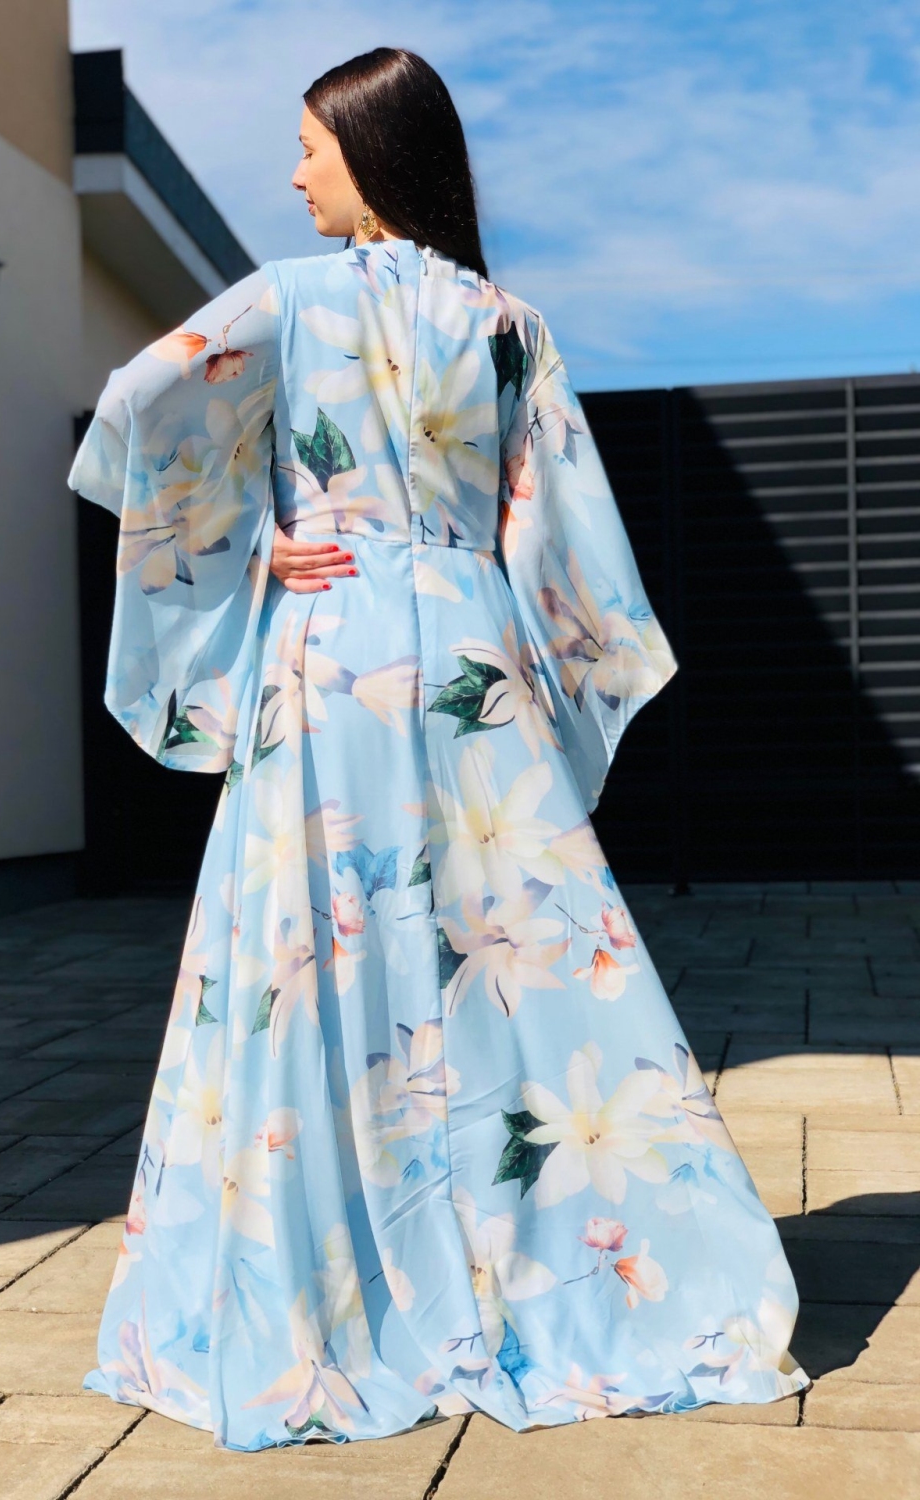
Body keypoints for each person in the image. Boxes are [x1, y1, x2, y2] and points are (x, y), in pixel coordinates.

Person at [68, 46, 809, 1452]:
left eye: (309, 144)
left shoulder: (288, 301)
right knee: (506, 953)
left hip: (330, 661)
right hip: (470, 664)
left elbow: (136, 407)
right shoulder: (508, 326)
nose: (292, 172)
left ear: (370, 149)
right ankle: (583, 1273)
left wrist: (251, 545)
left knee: (311, 958)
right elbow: (564, 540)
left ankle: (326, 1295)